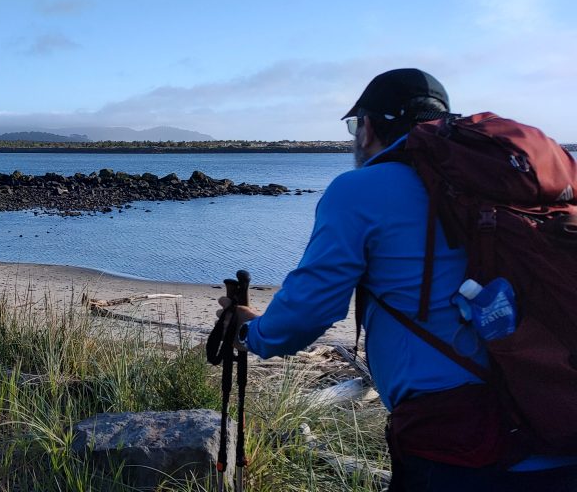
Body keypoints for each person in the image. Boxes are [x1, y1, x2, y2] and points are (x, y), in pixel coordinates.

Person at [217, 68, 577, 491]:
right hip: (556, 411)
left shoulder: (359, 190)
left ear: (367, 127)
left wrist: (250, 332)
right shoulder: (505, 188)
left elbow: (305, 313)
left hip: (456, 441)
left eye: (355, 125)